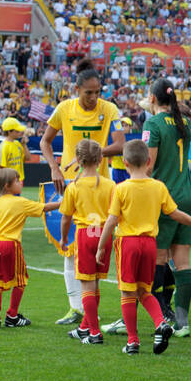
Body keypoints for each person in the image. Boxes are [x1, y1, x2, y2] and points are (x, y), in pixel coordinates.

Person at [95, 140, 191, 357]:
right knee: (145, 290)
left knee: (127, 292)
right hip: (150, 244)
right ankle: (160, 323)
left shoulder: (121, 188)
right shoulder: (158, 186)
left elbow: (112, 220)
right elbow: (175, 213)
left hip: (129, 244)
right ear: (149, 161)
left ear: (124, 163)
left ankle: (133, 341)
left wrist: (101, 247)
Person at [41, 58, 122, 326]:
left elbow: (120, 144)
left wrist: (93, 153)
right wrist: (54, 168)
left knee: (99, 248)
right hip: (70, 185)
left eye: (98, 91)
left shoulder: (109, 109)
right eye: (89, 92)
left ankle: (93, 312)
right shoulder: (64, 109)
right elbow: (45, 141)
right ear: (77, 90)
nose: (94, 97)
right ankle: (76, 308)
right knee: (72, 248)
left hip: (101, 185)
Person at [142, 78, 191, 337]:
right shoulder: (184, 122)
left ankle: (160, 315)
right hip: (186, 195)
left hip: (165, 197)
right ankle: (183, 323)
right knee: (183, 262)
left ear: (152, 99)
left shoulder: (152, 124)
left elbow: (148, 165)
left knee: (160, 258)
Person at [0, 168, 60, 329]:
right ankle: (12, 316)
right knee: (21, 280)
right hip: (11, 246)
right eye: (17, 180)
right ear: (8, 186)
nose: (20, 182)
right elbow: (43, 207)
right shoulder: (19, 202)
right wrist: (63, 203)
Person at [58, 139, 116, 345]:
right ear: (101, 159)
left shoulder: (74, 186)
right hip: (104, 236)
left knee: (87, 286)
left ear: (79, 161)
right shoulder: (110, 185)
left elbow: (65, 217)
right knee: (95, 283)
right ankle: (85, 327)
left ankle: (94, 332)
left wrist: (64, 238)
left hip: (85, 236)